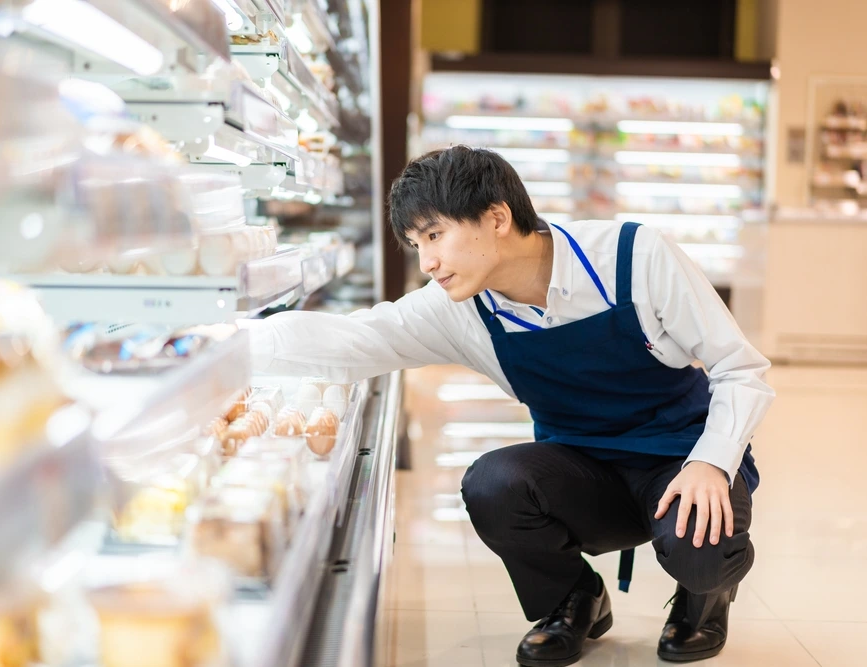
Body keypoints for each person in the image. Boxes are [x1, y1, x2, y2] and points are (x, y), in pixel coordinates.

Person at [242, 146, 774, 665]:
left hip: (680, 462)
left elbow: (740, 369)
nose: (427, 262)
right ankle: (574, 599)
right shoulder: (459, 308)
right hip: (584, 472)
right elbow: (354, 340)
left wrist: (711, 461)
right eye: (415, 243)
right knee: (493, 484)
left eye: (434, 235)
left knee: (701, 550)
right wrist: (229, 344)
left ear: (497, 217)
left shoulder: (634, 258)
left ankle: (704, 596)